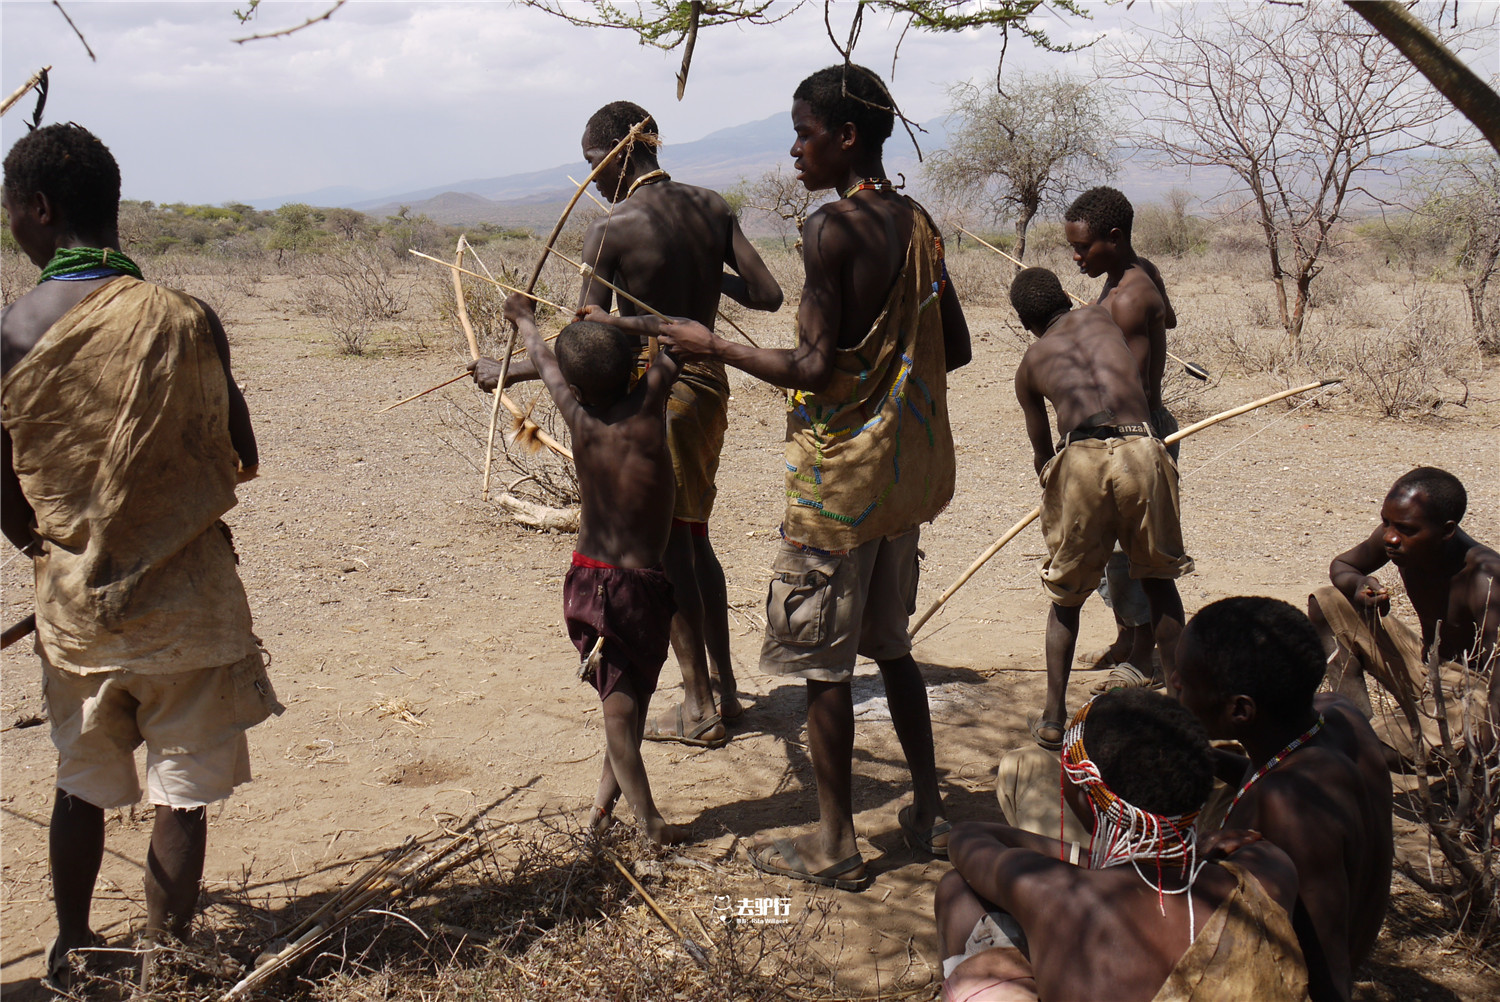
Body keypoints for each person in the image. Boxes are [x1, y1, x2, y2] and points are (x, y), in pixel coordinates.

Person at [591, 63, 971, 887]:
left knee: (824, 667)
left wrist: (712, 342)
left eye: (803, 134)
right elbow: (959, 345)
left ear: (845, 138)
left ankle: (834, 847)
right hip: (903, 473)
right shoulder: (919, 223)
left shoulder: (830, 229)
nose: (793, 150)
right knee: (894, 649)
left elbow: (812, 367)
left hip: (836, 481)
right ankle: (932, 813)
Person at [1, 124, 280, 988]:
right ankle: (168, 958)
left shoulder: (10, 333)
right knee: (182, 795)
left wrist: (49, 548)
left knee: (80, 783)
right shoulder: (188, 320)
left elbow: (4, 488)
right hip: (189, 607)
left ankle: (73, 943)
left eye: (11, 208)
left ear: (40, 210)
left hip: (75, 612)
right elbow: (240, 448)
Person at [473, 102, 783, 749]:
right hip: (708, 386)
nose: (592, 180)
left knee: (668, 550)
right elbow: (766, 294)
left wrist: (509, 365)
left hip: (654, 397)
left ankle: (699, 705)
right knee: (694, 539)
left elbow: (594, 346)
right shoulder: (712, 207)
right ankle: (722, 691)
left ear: (619, 151)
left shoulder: (611, 229)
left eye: (593, 165)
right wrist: (700, 276)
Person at [936, 689, 1310, 1002]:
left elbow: (967, 837)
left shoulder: (1052, 893)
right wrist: (1188, 851)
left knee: (958, 889)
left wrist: (1085, 861)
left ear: (1084, 796)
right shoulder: (1268, 868)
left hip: (1092, 875)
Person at [501, 293, 689, 844]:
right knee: (620, 710)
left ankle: (602, 814)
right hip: (627, 588)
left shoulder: (577, 416)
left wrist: (524, 320)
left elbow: (541, 359)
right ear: (635, 369)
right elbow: (679, 329)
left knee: (628, 705)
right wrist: (621, 319)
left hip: (602, 580)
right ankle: (650, 826)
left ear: (577, 388)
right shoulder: (650, 404)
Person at [1172, 597, 1394, 1002]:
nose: (1172, 683)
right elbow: (1266, 770)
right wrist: (1199, 753)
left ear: (1240, 710)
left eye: (1182, 682)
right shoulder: (1335, 715)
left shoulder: (1289, 811)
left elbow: (1327, 973)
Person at [1010, 267, 1192, 750]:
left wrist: (1062, 489)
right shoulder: (1102, 317)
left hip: (1080, 459)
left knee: (1066, 598)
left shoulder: (1030, 364)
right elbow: (1154, 321)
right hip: (1142, 451)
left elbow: (1042, 453)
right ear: (1066, 297)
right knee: (1159, 582)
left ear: (1025, 322)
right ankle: (1182, 708)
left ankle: (1053, 717)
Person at [1063, 186, 1181, 688]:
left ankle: (1145, 655)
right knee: (1114, 545)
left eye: (1084, 247)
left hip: (1136, 431)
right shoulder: (1127, 278)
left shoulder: (1131, 295)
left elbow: (1125, 387)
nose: (1076, 256)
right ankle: (1128, 636)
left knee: (1138, 549)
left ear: (1114, 237)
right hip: (1121, 430)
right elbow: (1170, 319)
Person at [1307, 467, 1498, 761]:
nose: (1391, 538)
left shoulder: (1486, 580)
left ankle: (1373, 747)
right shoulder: (1398, 539)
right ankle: (1357, 721)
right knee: (1327, 601)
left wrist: (1487, 768)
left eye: (1406, 529)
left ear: (1447, 531)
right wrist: (1360, 585)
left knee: (1364, 750)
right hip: (1426, 664)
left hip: (1474, 692)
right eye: (1386, 523)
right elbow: (1343, 566)